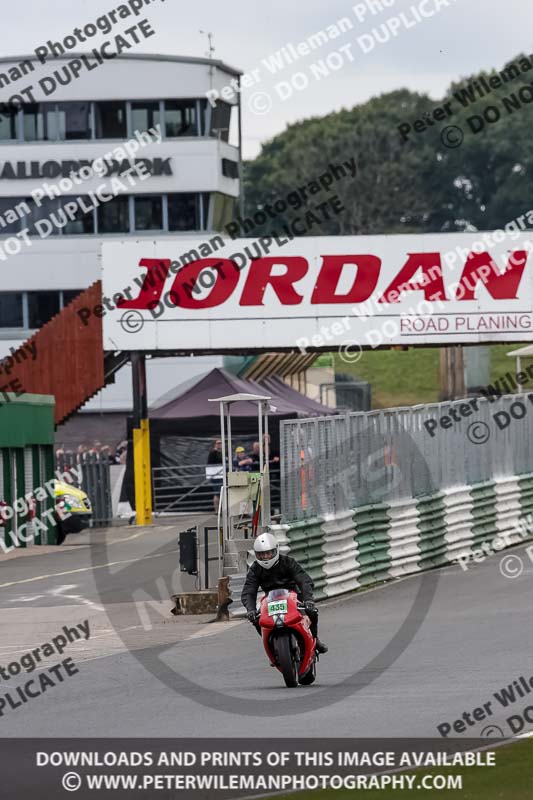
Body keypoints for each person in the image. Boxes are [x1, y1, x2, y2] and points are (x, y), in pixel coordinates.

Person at [241, 531, 328, 653]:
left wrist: (308, 599)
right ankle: (271, 645)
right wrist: (251, 609)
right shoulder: (255, 569)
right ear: (256, 555)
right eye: (261, 554)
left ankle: (314, 639)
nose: (265, 557)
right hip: (270, 599)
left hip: (293, 595)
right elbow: (248, 591)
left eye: (268, 553)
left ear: (275, 550)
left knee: (312, 611)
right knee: (256, 619)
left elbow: (304, 580)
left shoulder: (288, 562)